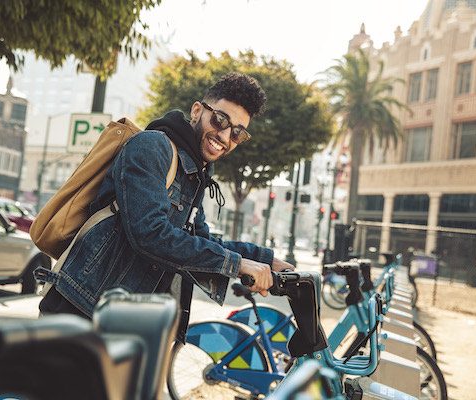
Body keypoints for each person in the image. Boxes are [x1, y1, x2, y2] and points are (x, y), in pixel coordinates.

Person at [37, 72, 294, 339]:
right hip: (80, 312)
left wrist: (266, 260)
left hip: (125, 325)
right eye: (220, 120)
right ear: (197, 111)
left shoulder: (194, 176)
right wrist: (237, 264)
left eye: (237, 133)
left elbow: (199, 241)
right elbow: (150, 234)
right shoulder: (152, 147)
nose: (225, 136)